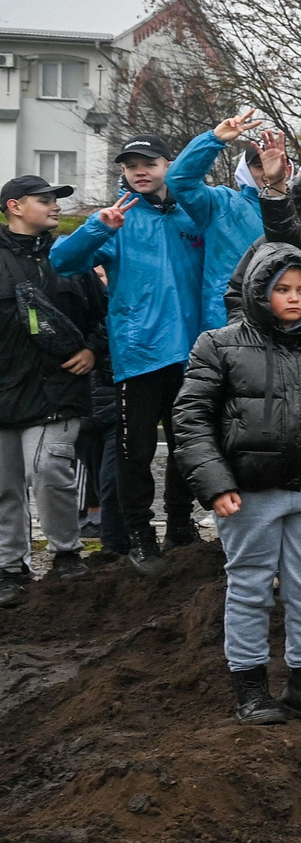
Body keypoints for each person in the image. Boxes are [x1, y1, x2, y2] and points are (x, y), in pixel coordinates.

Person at [53, 113, 272, 569]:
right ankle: (138, 535)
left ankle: (179, 525)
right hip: (140, 354)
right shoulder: (117, 220)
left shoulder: (195, 213)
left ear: (167, 165)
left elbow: (243, 221)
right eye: (131, 164)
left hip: (194, 351)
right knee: (135, 453)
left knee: (187, 446)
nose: (140, 170)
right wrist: (99, 228)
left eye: (149, 162)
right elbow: (62, 262)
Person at [173, 242, 301, 728]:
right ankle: (251, 688)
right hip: (248, 493)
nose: (293, 298)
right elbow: (190, 419)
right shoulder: (217, 344)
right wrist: (216, 483)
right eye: (282, 289)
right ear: (261, 291)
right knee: (250, 587)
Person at [0, 174, 103, 599]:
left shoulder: (69, 259)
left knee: (46, 468)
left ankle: (66, 554)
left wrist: (94, 350)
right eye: (43, 199)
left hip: (60, 390)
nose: (54, 206)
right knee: (4, 485)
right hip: (4, 389)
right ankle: (10, 568)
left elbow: (104, 315)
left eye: (55, 199)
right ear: (14, 206)